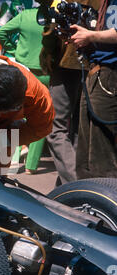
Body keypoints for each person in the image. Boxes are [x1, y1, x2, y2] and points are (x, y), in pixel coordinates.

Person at [39, 0, 99, 185]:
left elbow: (50, 32)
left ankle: (76, 184)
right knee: (77, 130)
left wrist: (47, 54)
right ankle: (69, 185)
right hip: (95, 66)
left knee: (56, 129)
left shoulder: (63, 2)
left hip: (66, 64)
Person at [0, 7, 49, 175]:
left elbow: (0, 33)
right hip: (46, 72)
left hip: (23, 69)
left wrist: (13, 50)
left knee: (18, 111)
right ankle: (31, 165)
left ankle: (13, 157)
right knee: (42, 113)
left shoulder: (25, 15)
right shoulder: (54, 18)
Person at [69, 0, 117, 179]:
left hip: (110, 74)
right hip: (96, 70)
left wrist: (90, 36)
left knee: (100, 151)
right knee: (85, 148)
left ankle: (105, 202)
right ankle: (85, 198)